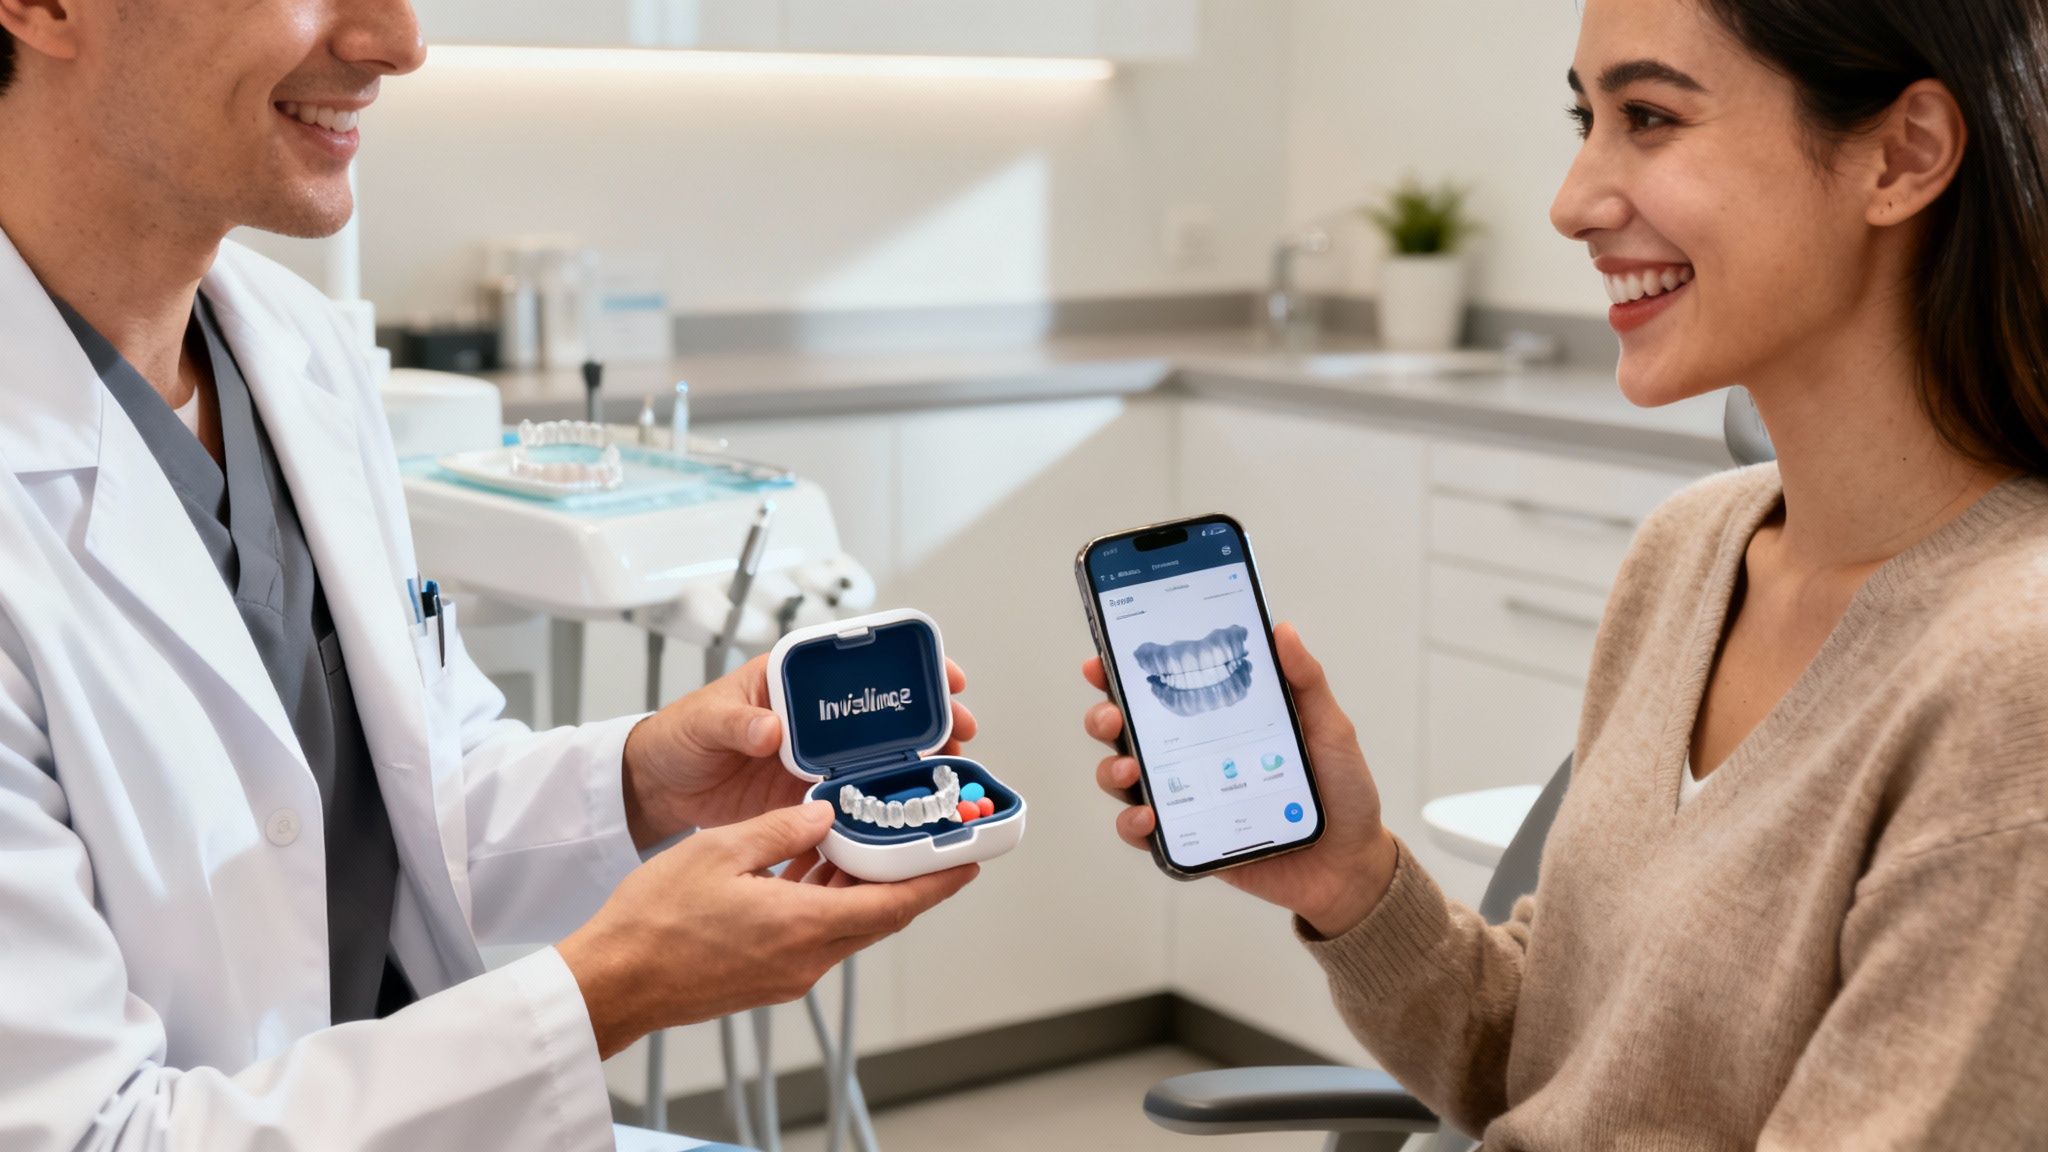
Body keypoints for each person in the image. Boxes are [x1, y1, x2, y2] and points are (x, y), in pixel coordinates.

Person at [0, 1, 977, 1148]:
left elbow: (411, 798)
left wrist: (649, 779)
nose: (397, 41)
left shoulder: (295, 349)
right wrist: (611, 989)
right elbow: (89, 1135)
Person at [1085, 0, 2048, 1147]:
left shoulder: (2011, 674)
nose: (1570, 201)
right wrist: (1349, 879)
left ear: (1901, 156)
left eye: (1648, 116)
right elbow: (1557, 1063)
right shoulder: (1690, 550)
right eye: (1583, 119)